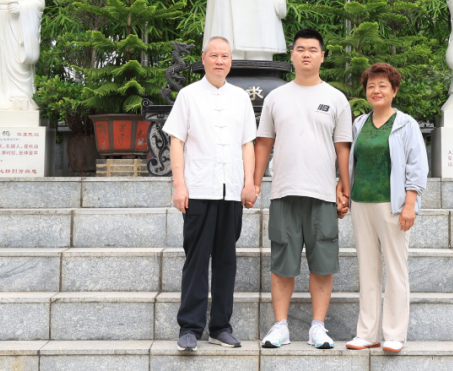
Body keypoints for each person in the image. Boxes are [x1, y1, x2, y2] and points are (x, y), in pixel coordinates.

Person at [255, 28, 352, 349]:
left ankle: (317, 327)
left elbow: (342, 147)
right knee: (283, 261)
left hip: (323, 193)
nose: (306, 54)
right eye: (300, 49)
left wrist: (344, 186)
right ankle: (280, 326)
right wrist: (253, 182)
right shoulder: (276, 97)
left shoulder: (336, 98)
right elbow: (263, 143)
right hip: (284, 191)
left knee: (323, 262)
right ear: (292, 55)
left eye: (312, 49)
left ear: (322, 56)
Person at [162, 36, 258, 352]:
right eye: (214, 55)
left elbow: (248, 143)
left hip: (231, 191)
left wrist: (249, 183)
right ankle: (189, 328)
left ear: (231, 61)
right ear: (203, 59)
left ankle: (220, 327)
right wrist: (179, 185)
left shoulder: (241, 98)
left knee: (226, 261)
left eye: (225, 56)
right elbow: (176, 141)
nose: (219, 61)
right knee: (197, 259)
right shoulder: (188, 95)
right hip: (199, 189)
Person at [344, 63, 428, 354]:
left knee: (395, 269)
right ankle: (367, 333)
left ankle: (394, 334)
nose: (376, 91)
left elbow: (417, 166)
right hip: (361, 204)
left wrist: (410, 204)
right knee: (367, 269)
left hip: (393, 205)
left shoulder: (406, 124)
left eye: (382, 86)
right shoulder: (359, 124)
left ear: (394, 90)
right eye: (371, 86)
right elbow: (351, 162)